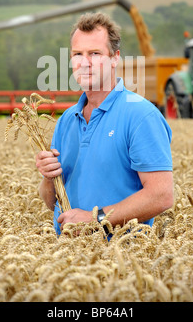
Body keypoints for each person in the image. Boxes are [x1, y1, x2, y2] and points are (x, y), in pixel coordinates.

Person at [36, 12, 174, 237]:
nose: (85, 63)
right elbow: (53, 204)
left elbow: (161, 196)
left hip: (122, 262)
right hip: (65, 261)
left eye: (95, 53)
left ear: (115, 58)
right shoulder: (66, 121)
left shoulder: (140, 115)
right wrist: (48, 178)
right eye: (78, 54)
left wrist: (95, 219)